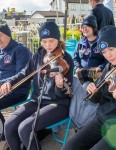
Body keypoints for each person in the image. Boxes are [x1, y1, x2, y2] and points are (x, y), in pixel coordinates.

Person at [62, 25, 116, 150]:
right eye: (104, 52)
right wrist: (94, 92)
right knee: (69, 147)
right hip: (105, 118)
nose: (108, 55)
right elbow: (101, 98)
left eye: (111, 49)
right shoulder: (109, 67)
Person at [2, 22, 74, 150]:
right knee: (9, 125)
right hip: (37, 101)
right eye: (44, 41)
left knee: (25, 128)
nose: (48, 45)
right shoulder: (37, 56)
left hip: (58, 104)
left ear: (58, 39)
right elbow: (24, 74)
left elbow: (64, 94)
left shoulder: (66, 59)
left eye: (51, 41)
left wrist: (59, 85)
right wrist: (9, 83)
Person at [0, 23, 32, 110]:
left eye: (0, 35)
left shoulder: (21, 50)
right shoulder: (1, 50)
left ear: (8, 35)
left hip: (16, 91)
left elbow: (22, 76)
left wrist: (2, 83)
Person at [74, 15, 107, 86]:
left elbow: (107, 59)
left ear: (93, 28)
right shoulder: (80, 43)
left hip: (97, 75)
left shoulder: (101, 42)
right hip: (82, 74)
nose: (84, 29)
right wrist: (78, 67)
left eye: (87, 27)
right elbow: (75, 58)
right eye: (83, 27)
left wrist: (101, 68)